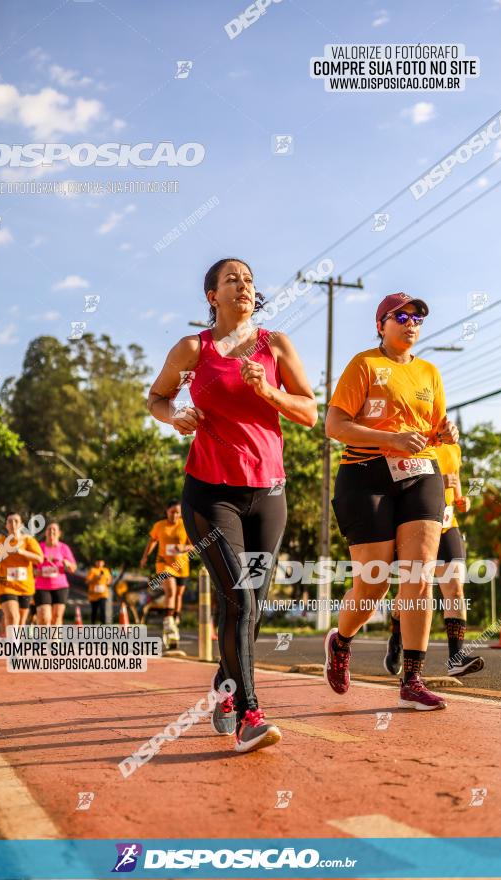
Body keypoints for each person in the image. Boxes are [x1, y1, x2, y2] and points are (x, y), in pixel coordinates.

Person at [147, 257, 317, 752]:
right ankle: (249, 715)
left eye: (248, 279)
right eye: (231, 279)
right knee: (238, 599)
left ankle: (225, 686)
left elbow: (309, 411)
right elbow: (155, 397)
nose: (243, 285)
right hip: (210, 491)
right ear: (212, 296)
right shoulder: (192, 350)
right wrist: (174, 414)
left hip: (269, 494)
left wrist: (268, 391)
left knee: (253, 606)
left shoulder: (276, 345)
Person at [324, 292, 459, 711]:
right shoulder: (365, 365)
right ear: (381, 324)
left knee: (418, 574)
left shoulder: (430, 372)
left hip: (420, 473)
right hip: (366, 476)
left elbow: (431, 426)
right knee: (375, 581)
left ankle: (413, 679)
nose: (411, 322)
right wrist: (391, 440)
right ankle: (341, 640)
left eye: (418, 316)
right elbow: (335, 425)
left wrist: (444, 433)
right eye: (400, 316)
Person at [384, 441, 484, 678]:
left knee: (455, 589)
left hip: (448, 524)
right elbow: (400, 479)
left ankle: (456, 659)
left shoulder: (454, 447)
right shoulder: (413, 440)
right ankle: (397, 636)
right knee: (412, 592)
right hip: (417, 526)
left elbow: (455, 486)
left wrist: (461, 500)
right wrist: (437, 479)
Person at [140, 501, 194, 650]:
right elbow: (152, 541)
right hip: (163, 564)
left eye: (178, 512)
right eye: (172, 512)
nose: (175, 515)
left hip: (181, 565)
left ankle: (175, 619)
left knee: (179, 595)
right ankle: (168, 620)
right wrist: (145, 556)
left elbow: (194, 545)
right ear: (167, 511)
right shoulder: (159, 525)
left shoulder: (185, 525)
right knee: (171, 590)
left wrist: (183, 548)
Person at [0, 513, 43, 629]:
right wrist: (4, 552)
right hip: (6, 585)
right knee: (13, 617)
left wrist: (21, 552)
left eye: (16, 521)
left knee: (20, 622)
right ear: (6, 525)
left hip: (25, 587)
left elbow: (39, 559)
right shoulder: (1, 541)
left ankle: (14, 643)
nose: (13, 524)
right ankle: (13, 645)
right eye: (10, 521)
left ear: (21, 525)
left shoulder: (29, 541)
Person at [34, 522, 77, 626]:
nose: (51, 532)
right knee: (44, 617)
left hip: (60, 586)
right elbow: (31, 568)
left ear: (59, 533)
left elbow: (73, 568)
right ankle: (42, 641)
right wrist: (37, 572)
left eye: (54, 530)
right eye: (49, 529)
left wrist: (67, 564)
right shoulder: (39, 547)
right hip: (42, 586)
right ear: (45, 532)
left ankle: (54, 642)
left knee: (57, 616)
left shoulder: (64, 548)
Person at [86, 559, 112, 624]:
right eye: (98, 562)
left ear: (103, 563)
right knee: (94, 610)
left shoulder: (106, 570)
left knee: (103, 609)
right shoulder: (92, 570)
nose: (100, 563)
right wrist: (95, 578)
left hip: (103, 594)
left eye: (101, 562)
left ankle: (103, 624)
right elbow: (87, 581)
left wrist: (108, 582)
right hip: (93, 594)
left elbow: (109, 580)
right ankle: (93, 624)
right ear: (96, 562)